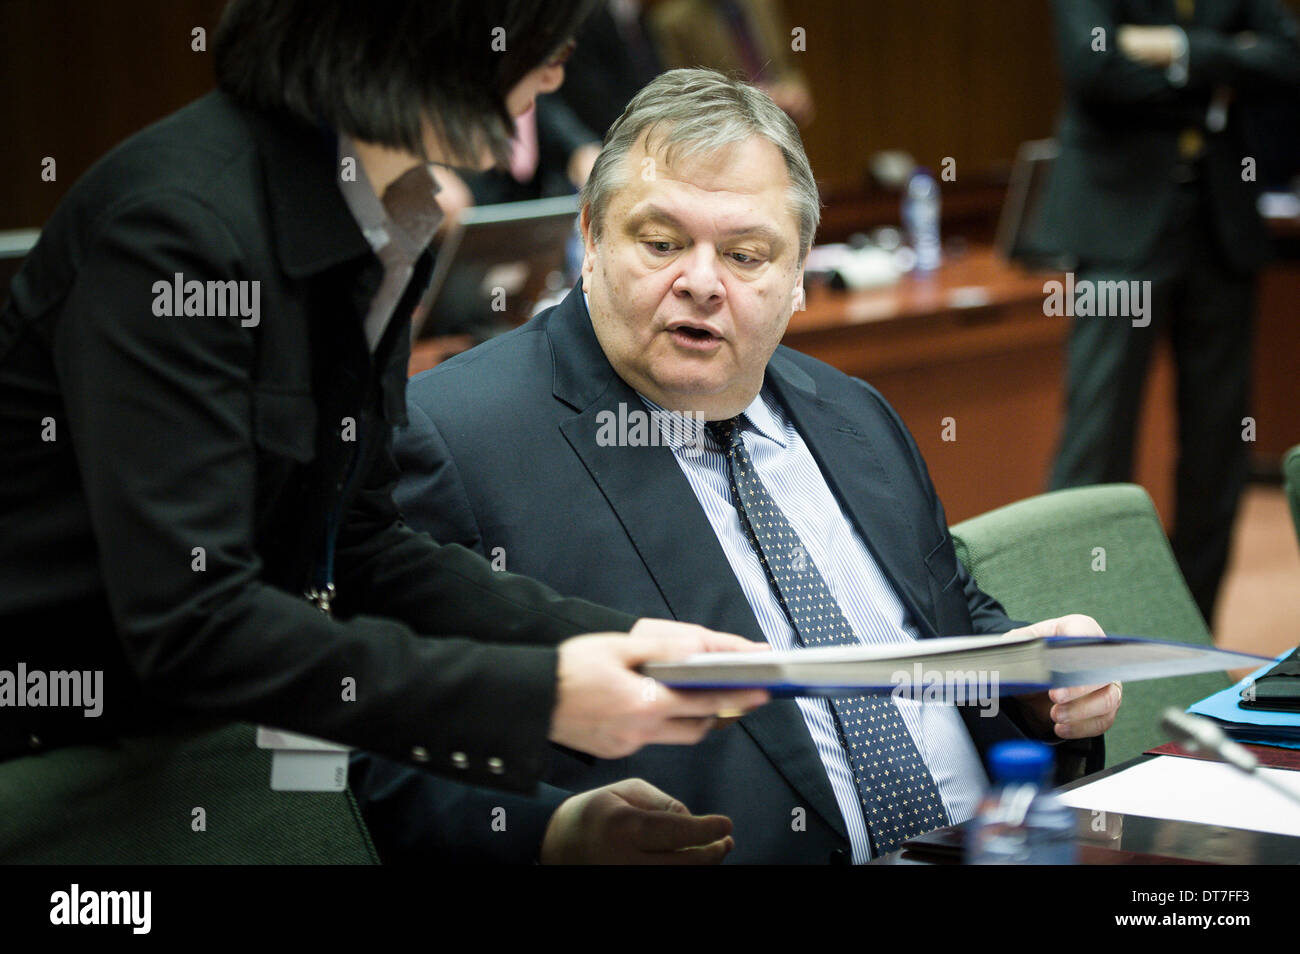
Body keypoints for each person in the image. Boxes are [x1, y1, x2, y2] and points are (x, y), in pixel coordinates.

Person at [0, 2, 769, 862]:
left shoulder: (381, 210)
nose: (557, 70)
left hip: (223, 757)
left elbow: (357, 542)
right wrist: (540, 694)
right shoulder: (173, 228)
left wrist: (605, 640)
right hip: (70, 777)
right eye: (537, 40)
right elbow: (195, 624)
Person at [379, 69, 1122, 864]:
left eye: (745, 254)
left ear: (799, 273)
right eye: (661, 243)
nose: (700, 282)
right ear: (591, 237)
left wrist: (1037, 678)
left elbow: (956, 624)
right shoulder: (454, 438)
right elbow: (376, 761)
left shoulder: (854, 413)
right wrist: (553, 835)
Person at [1040, 0, 1300, 625]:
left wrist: (1176, 50)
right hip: (1118, 220)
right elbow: (1093, 67)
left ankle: (1190, 638)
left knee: (1219, 448)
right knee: (1095, 445)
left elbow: (1289, 59)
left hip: (1220, 225)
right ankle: (1074, 637)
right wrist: (1220, 78)